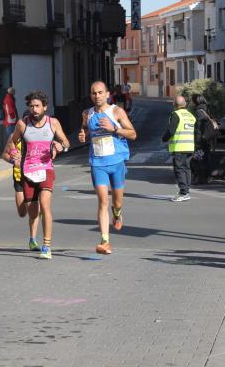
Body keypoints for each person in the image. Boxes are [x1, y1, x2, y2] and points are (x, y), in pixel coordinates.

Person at [78, 81, 137, 255]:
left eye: (100, 93)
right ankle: (105, 241)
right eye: (94, 93)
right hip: (97, 163)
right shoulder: (86, 114)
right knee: (103, 200)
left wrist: (114, 129)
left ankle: (117, 213)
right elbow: (84, 130)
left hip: (117, 162)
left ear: (107, 94)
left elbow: (133, 134)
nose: (97, 96)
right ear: (91, 95)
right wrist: (82, 135)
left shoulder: (117, 112)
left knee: (116, 201)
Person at [10, 91, 70, 259]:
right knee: (32, 212)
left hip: (46, 169)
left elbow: (66, 142)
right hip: (28, 172)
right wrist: (14, 153)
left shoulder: (53, 123)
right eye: (31, 106)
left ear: (45, 107)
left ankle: (47, 246)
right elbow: (13, 141)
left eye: (37, 106)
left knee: (45, 205)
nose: (34, 109)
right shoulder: (22, 124)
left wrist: (60, 146)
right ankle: (33, 238)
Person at [2, 125, 41, 251]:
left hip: (34, 177)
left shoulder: (38, 137)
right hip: (19, 178)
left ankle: (33, 240)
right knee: (22, 213)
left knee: (34, 212)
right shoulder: (13, 138)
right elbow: (4, 154)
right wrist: (13, 160)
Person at [162, 95, 196, 202]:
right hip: (190, 146)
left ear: (174, 105)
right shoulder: (191, 116)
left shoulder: (176, 114)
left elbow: (171, 130)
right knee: (187, 168)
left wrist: (164, 138)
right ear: (185, 104)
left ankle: (183, 192)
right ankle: (186, 190)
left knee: (179, 169)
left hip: (179, 146)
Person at [191, 95, 213, 185]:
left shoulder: (199, 111)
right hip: (207, 138)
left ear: (196, 101)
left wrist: (197, 141)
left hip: (201, 140)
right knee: (205, 158)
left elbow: (199, 128)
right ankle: (206, 177)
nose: (191, 103)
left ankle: (200, 178)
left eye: (192, 101)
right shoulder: (206, 109)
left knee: (197, 158)